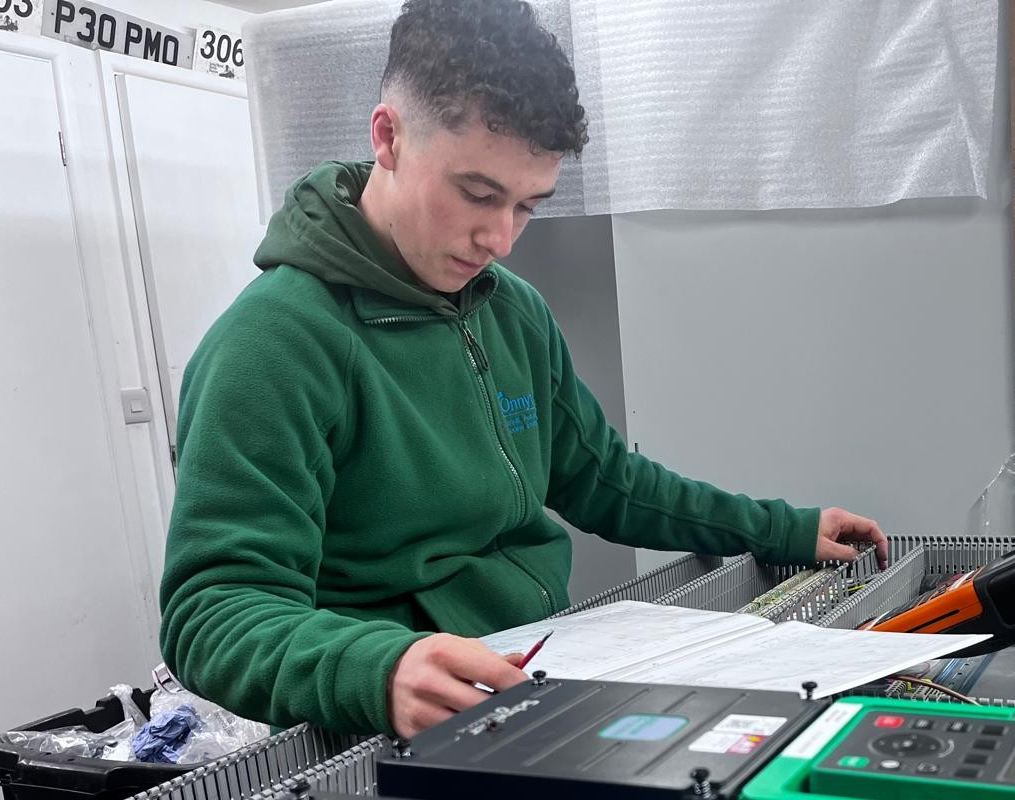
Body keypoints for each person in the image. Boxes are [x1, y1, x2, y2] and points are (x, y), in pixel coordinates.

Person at [158, 0, 889, 739]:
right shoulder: (272, 344)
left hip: (533, 680)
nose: (499, 238)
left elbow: (604, 480)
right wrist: (378, 668)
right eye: (476, 195)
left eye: (527, 206)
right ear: (388, 137)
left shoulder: (512, 312)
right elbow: (212, 611)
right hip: (395, 727)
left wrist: (781, 529)